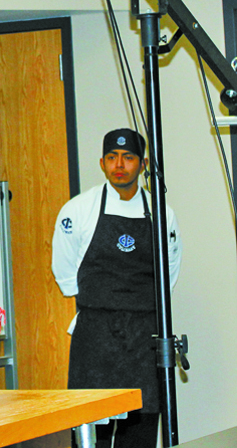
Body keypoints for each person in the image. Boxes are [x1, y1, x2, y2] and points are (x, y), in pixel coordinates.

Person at [52, 128, 182, 448]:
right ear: (102, 163)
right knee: (89, 431)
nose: (119, 165)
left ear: (143, 163)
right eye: (112, 158)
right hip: (95, 334)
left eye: (128, 158)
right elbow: (64, 268)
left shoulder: (161, 213)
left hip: (144, 336)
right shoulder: (78, 210)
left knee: (139, 430)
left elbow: (170, 271)